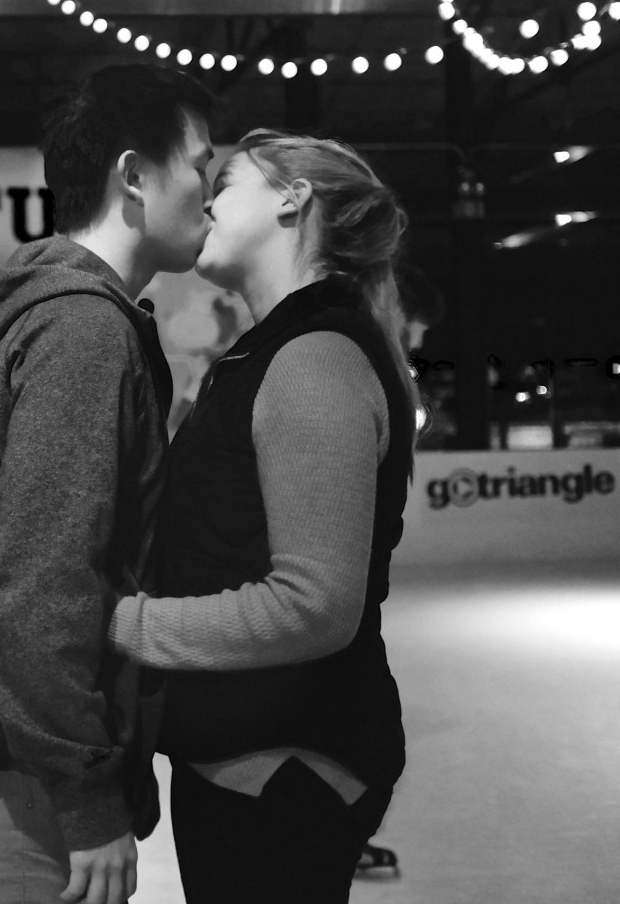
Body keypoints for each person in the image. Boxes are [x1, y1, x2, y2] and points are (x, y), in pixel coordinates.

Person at [0, 63, 219, 904]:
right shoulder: (83, 330)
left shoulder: (82, 317)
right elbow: (39, 589)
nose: (212, 194)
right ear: (133, 176)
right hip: (18, 787)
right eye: (201, 165)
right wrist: (86, 802)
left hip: (20, 773)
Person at [108, 129, 419, 903]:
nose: (207, 198)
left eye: (229, 180)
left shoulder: (314, 359)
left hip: (288, 768)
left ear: (293, 197)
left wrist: (115, 626)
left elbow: (315, 606)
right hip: (249, 762)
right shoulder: (274, 351)